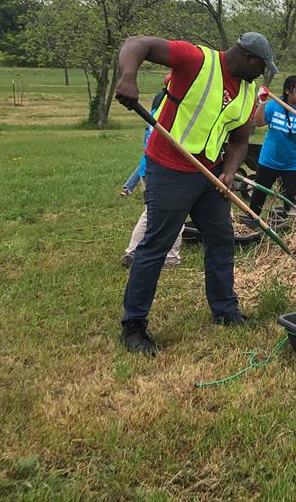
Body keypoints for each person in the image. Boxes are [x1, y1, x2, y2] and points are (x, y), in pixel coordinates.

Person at [113, 32, 276, 355]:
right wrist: (127, 78)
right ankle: (133, 325)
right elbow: (137, 44)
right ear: (247, 58)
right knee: (157, 244)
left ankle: (226, 312)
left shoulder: (246, 93)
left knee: (221, 239)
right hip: (170, 167)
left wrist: (228, 172)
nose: (262, 74)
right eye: (261, 67)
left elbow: (240, 140)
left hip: (210, 174)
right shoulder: (197, 61)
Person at [121, 74, 181, 268]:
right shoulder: (173, 112)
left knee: (151, 212)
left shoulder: (156, 108)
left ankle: (133, 251)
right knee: (177, 212)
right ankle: (170, 256)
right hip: (164, 169)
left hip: (149, 167)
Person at [247, 75, 296, 221]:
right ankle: (251, 221)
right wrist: (262, 102)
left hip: (294, 163)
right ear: (288, 90)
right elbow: (258, 122)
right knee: (258, 195)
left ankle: (286, 223)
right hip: (269, 159)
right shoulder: (275, 105)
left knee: (291, 199)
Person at [120, 75, 171, 196]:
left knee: (147, 158)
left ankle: (128, 187)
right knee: (149, 159)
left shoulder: (159, 96)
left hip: (150, 130)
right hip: (156, 131)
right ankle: (128, 187)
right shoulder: (166, 99)